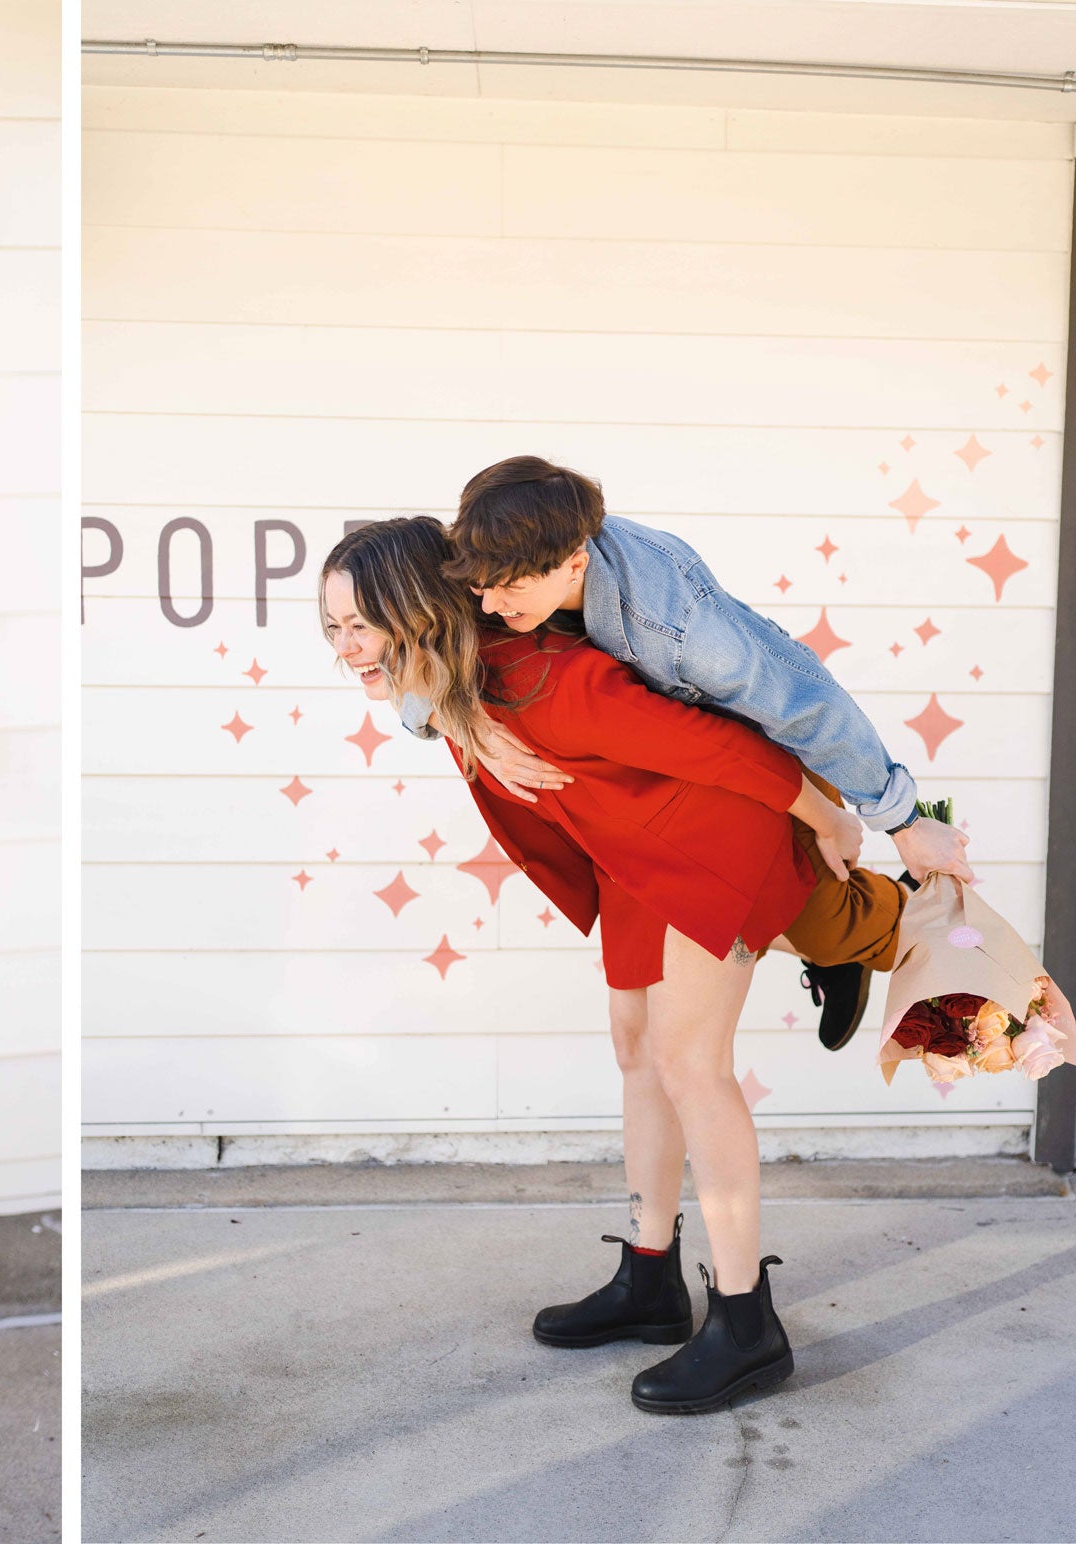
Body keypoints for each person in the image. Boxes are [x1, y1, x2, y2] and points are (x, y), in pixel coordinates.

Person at [322, 516, 851, 1413]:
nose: (347, 649)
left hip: (716, 840)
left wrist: (831, 818)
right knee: (636, 1044)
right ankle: (650, 1278)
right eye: (331, 629)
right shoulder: (453, 681)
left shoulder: (551, 681)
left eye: (361, 625)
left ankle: (746, 1322)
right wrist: (457, 720)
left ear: (419, 609)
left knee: (692, 1064)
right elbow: (419, 689)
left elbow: (725, 750)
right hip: (639, 852)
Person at [406, 456, 972, 1051]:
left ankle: (890, 933)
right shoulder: (496, 558)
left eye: (511, 592)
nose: (490, 607)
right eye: (479, 588)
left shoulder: (679, 628)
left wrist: (903, 823)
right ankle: (841, 949)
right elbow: (414, 640)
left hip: (760, 748)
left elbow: (803, 700)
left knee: (822, 918)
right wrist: (448, 714)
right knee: (786, 913)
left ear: (574, 563)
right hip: (684, 780)